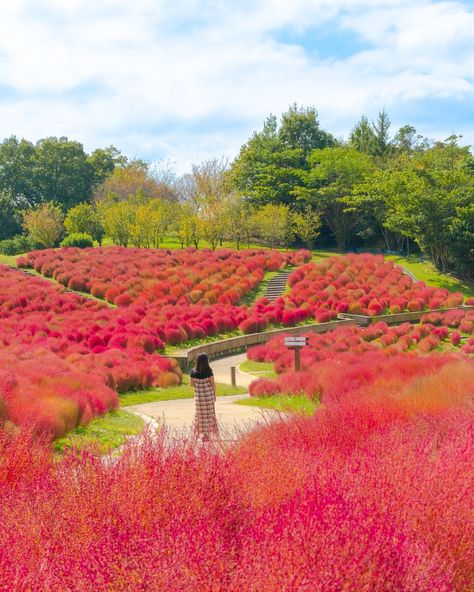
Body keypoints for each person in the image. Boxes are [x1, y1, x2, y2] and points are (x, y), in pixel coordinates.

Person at [190, 353, 219, 440]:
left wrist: (199, 386)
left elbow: (191, 384)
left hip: (199, 398)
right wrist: (214, 395)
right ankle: (208, 434)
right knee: (209, 415)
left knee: (200, 415)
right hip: (209, 396)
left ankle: (199, 434)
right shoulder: (209, 371)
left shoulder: (193, 372)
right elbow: (213, 384)